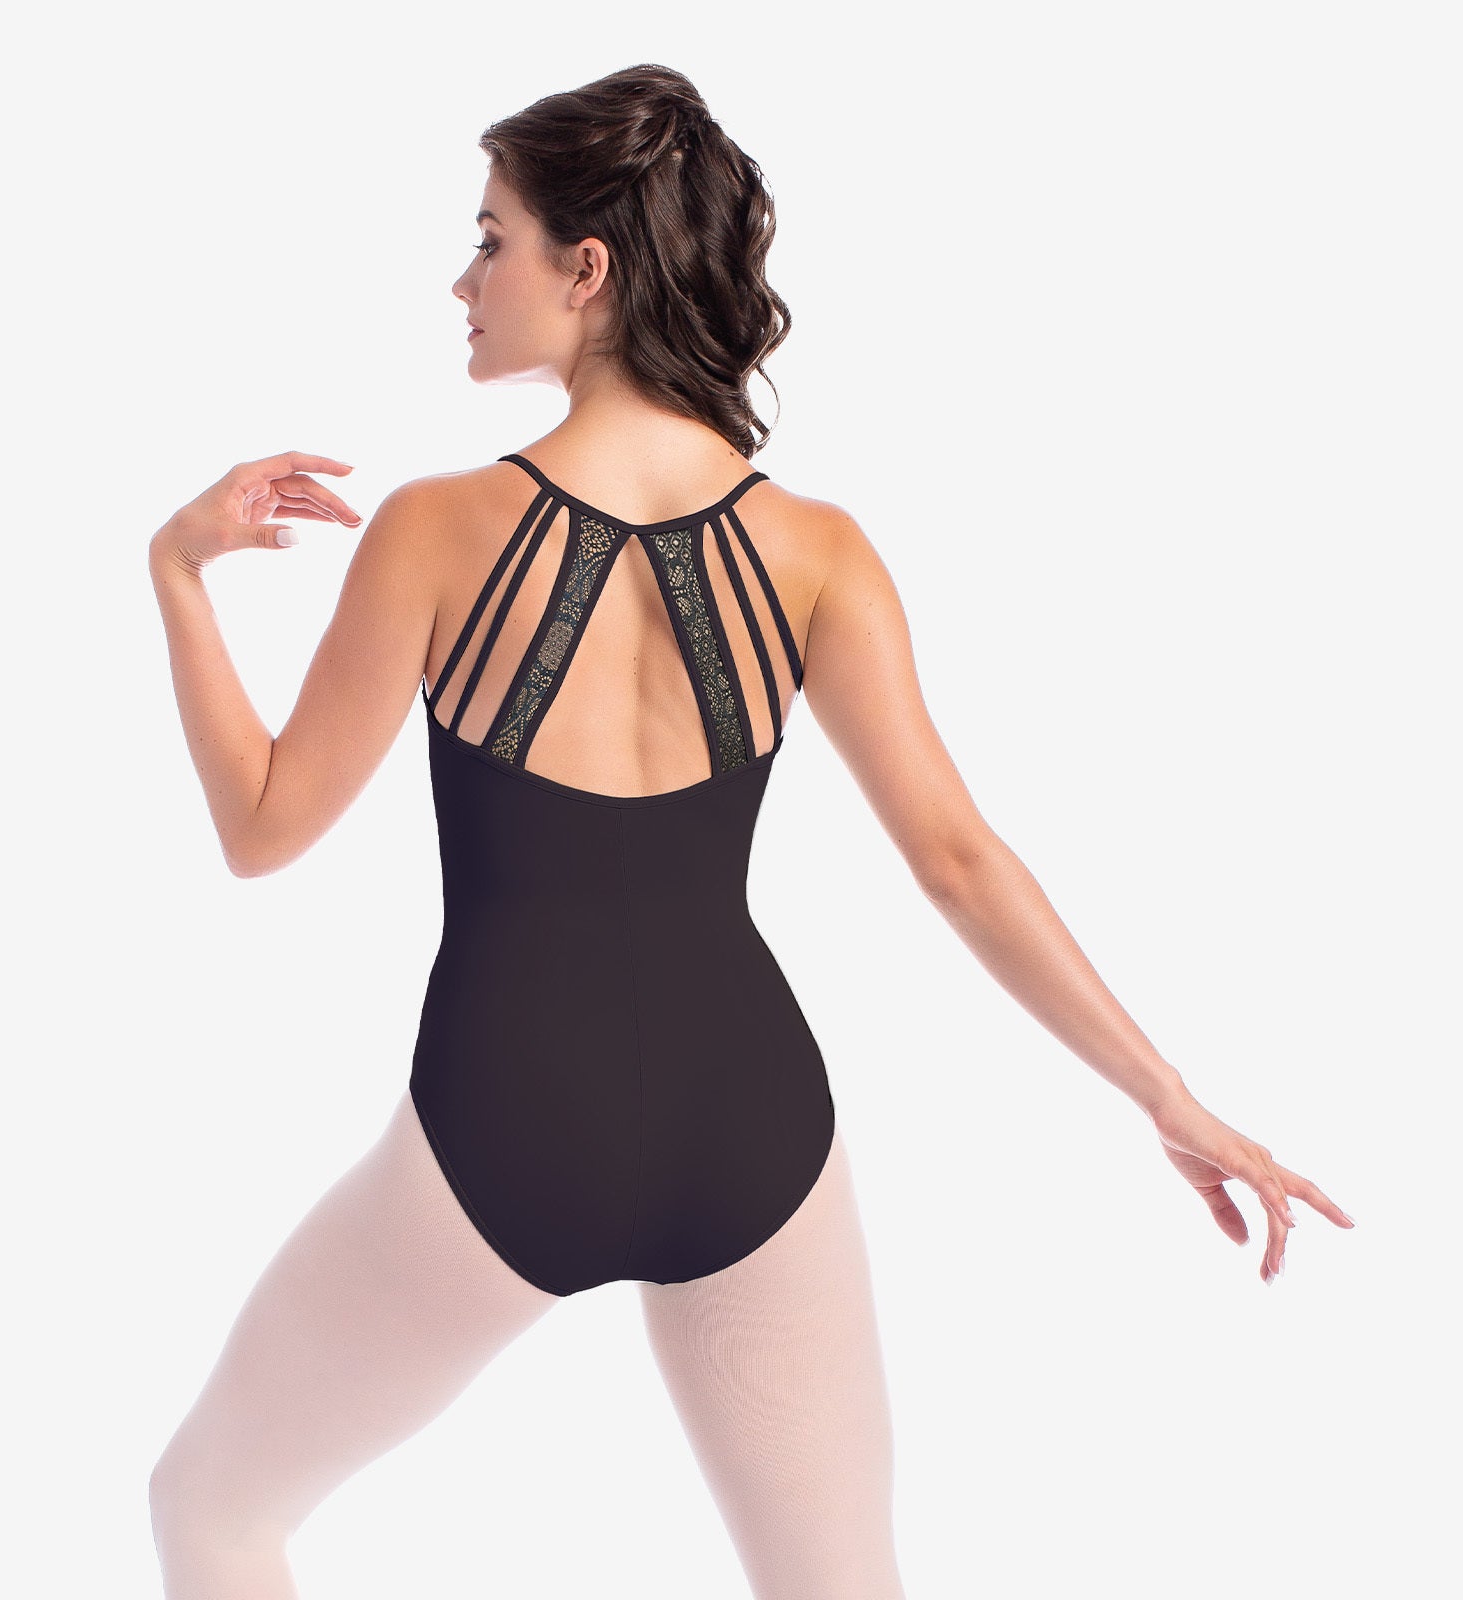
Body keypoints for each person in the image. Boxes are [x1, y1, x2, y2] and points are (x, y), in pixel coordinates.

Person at [143, 62, 1354, 1600]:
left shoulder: (437, 531)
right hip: (750, 1128)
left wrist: (179, 573)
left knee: (212, 1509)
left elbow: (261, 828)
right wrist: (1167, 1097)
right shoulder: (817, 553)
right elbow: (960, 862)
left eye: (491, 240)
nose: (462, 281)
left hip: (506, 1129)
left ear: (587, 269)